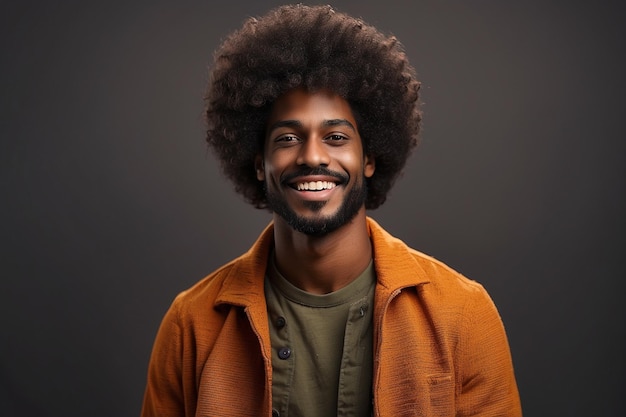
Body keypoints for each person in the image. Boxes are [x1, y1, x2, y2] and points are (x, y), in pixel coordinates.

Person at [140, 4, 522, 416]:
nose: (312, 156)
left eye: (336, 136)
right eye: (287, 138)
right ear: (257, 161)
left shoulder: (462, 315)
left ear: (370, 157)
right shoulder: (192, 324)